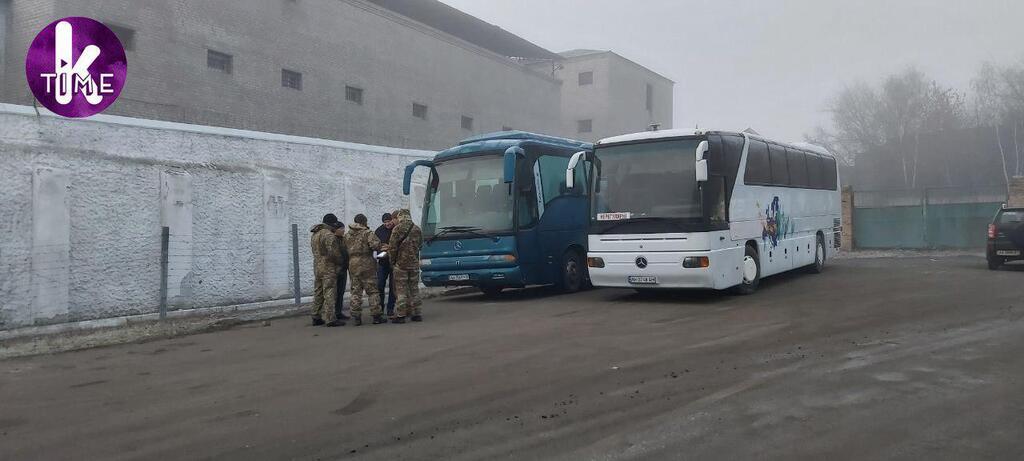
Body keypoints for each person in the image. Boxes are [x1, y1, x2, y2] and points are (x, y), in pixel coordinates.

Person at [345, 214, 384, 326]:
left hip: (353, 264)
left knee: (356, 291)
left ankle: (356, 317)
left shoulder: (348, 235)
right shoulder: (368, 233)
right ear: (365, 222)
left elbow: (345, 248)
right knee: (372, 291)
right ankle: (376, 316)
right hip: (367, 263)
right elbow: (376, 246)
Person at [385, 208, 423, 324]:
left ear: (400, 217)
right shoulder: (417, 229)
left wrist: (392, 262)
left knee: (401, 290)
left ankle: (401, 315)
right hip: (414, 264)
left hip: (401, 265)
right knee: (414, 289)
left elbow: (392, 248)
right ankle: (417, 314)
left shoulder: (397, 229)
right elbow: (420, 245)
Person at [310, 214, 345, 327]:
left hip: (317, 266)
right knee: (330, 291)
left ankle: (316, 315)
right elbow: (334, 253)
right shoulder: (329, 235)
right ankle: (330, 318)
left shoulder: (315, 234)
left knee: (318, 291)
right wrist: (340, 262)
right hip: (328, 268)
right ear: (332, 224)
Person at [374, 213, 397, 319]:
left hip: (394, 263)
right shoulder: (378, 231)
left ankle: (390, 309)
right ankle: (380, 308)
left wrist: (388, 249)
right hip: (382, 263)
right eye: (385, 222)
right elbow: (377, 248)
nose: (387, 224)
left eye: (389, 221)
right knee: (380, 286)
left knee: (393, 287)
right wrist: (385, 252)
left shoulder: (396, 230)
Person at [333, 223, 351, 323]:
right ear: (336, 229)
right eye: (341, 228)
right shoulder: (332, 239)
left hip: (343, 269)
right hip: (335, 270)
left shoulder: (343, 239)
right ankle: (333, 314)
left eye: (344, 228)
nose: (344, 230)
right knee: (334, 293)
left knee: (341, 292)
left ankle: (338, 312)